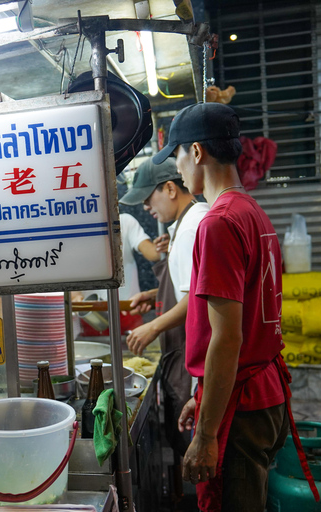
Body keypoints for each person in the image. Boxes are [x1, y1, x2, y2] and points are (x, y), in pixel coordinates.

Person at [152, 103, 315, 511]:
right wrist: (205, 396)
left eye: (177, 155)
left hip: (242, 405)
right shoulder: (252, 212)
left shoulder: (218, 221)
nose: (179, 166)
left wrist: (206, 435)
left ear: (197, 152)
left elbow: (227, 339)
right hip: (263, 393)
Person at [120, 156, 209, 458]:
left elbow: (197, 297)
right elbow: (195, 283)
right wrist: (155, 292)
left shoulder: (188, 231)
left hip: (192, 356)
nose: (146, 208)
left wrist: (153, 325)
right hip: (186, 352)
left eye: (148, 198)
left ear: (170, 188)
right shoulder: (191, 219)